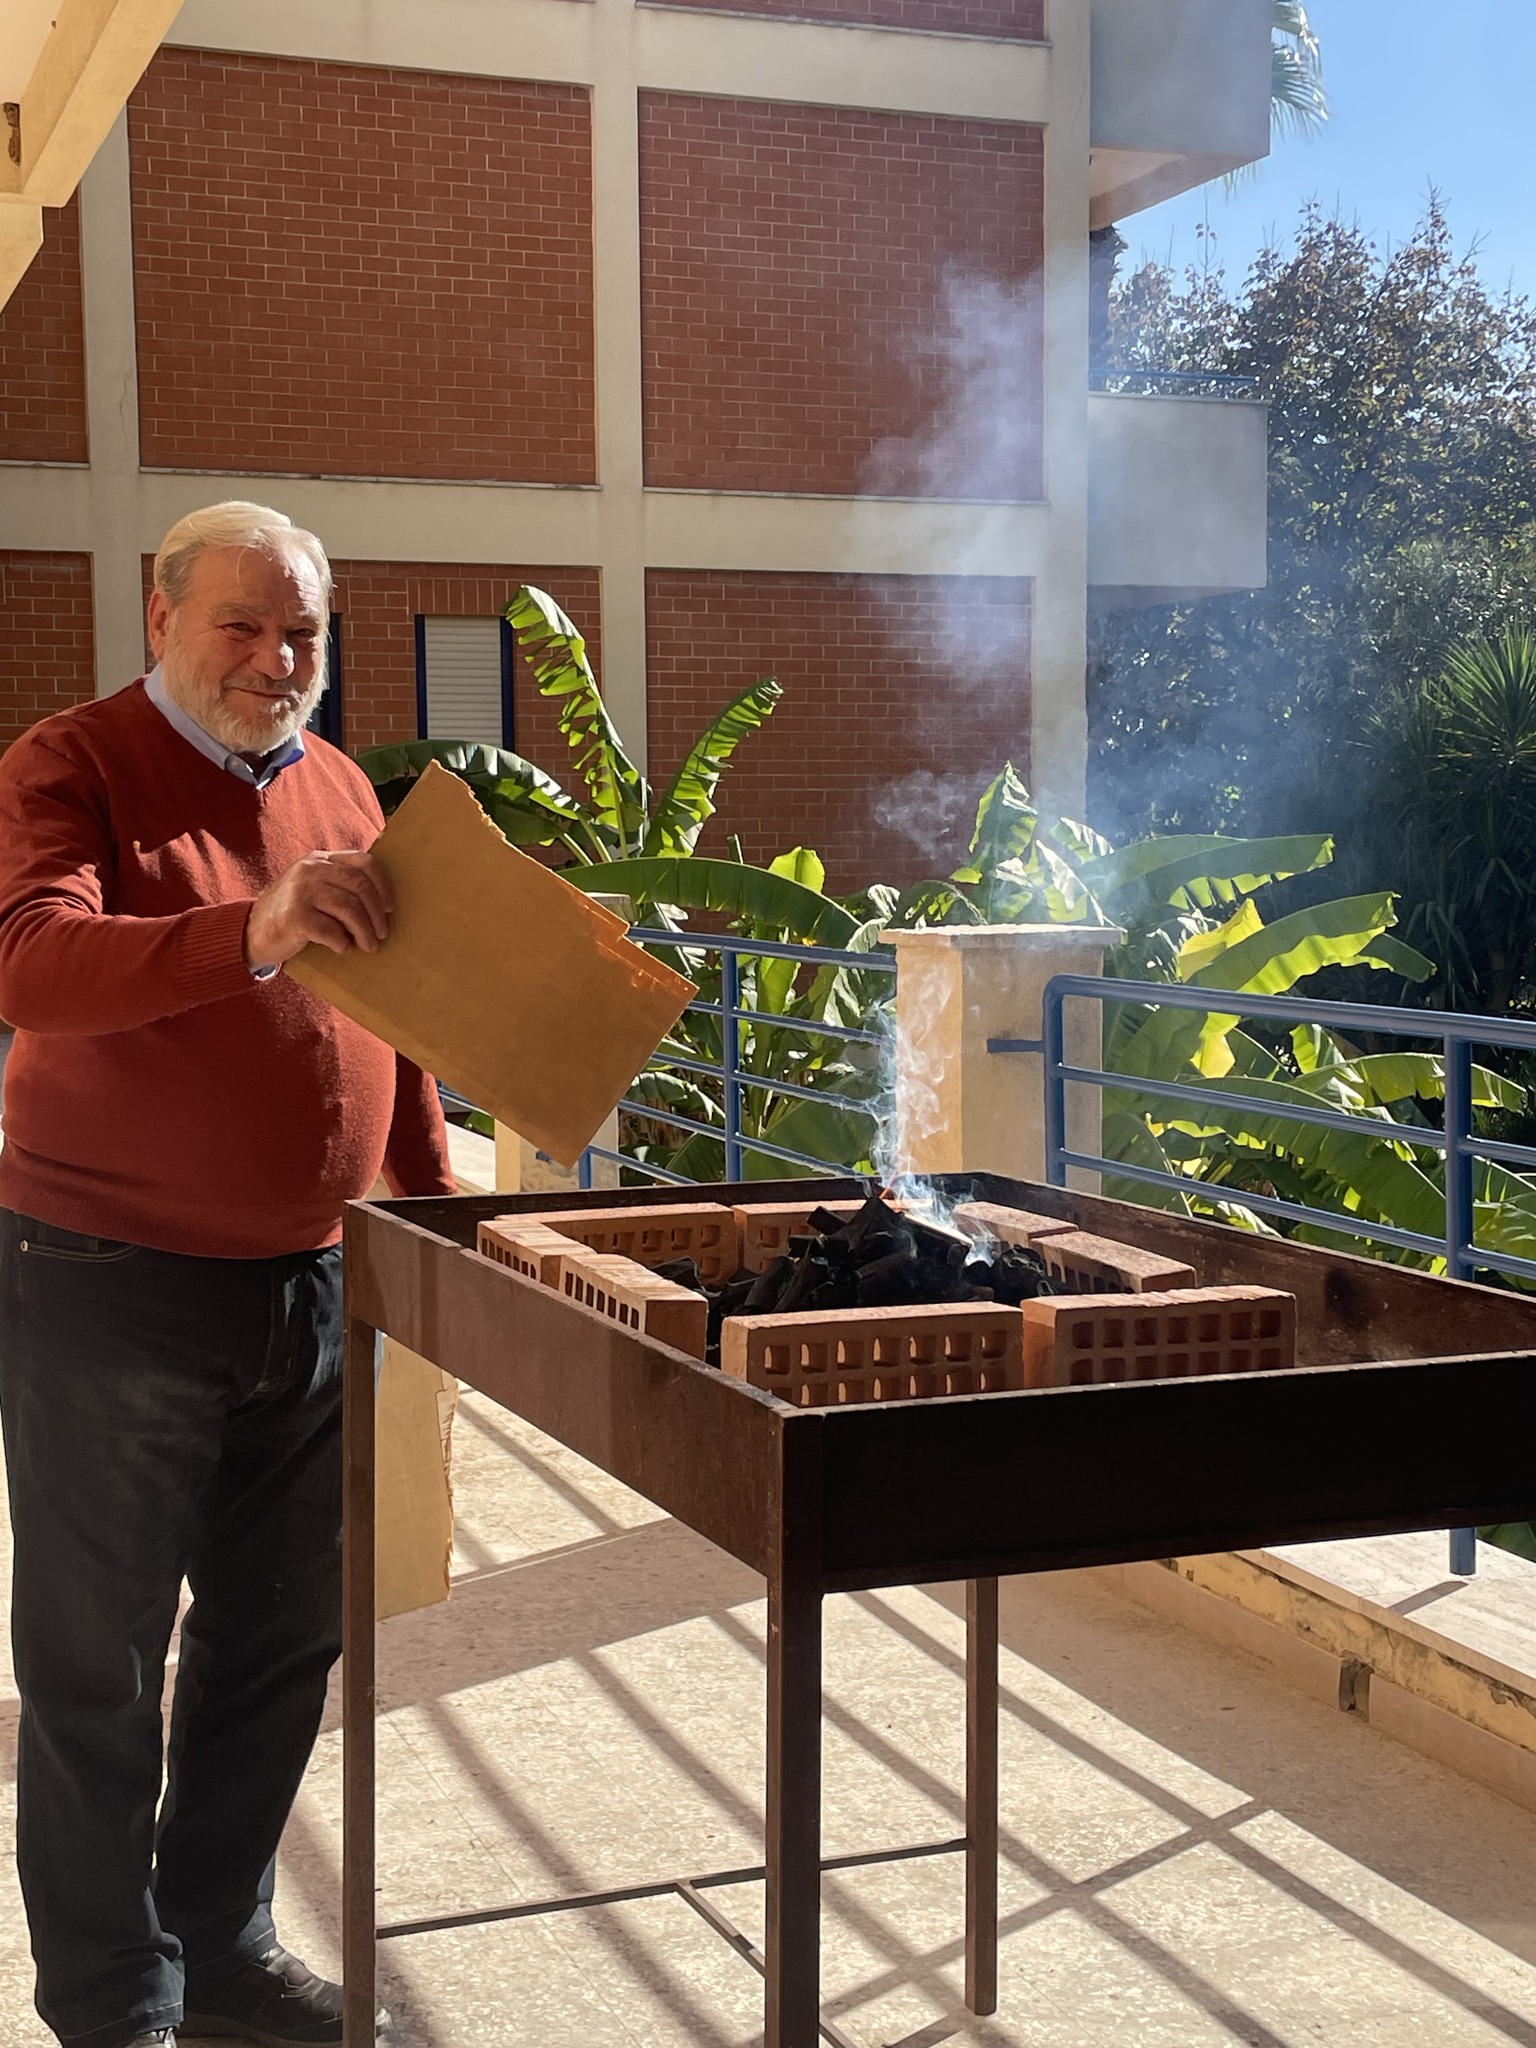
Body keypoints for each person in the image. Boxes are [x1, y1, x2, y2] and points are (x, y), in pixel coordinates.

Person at [0, 502, 454, 2048]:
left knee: (279, 1643)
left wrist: (434, 1213)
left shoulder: (342, 787)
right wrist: (252, 926)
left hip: (313, 1287)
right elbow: (31, 963)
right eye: (242, 626)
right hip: (106, 1281)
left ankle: (220, 1948)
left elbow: (400, 1013)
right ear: (161, 618)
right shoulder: (70, 762)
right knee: (99, 1666)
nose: (276, 659)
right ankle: (114, 2002)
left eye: (303, 633)